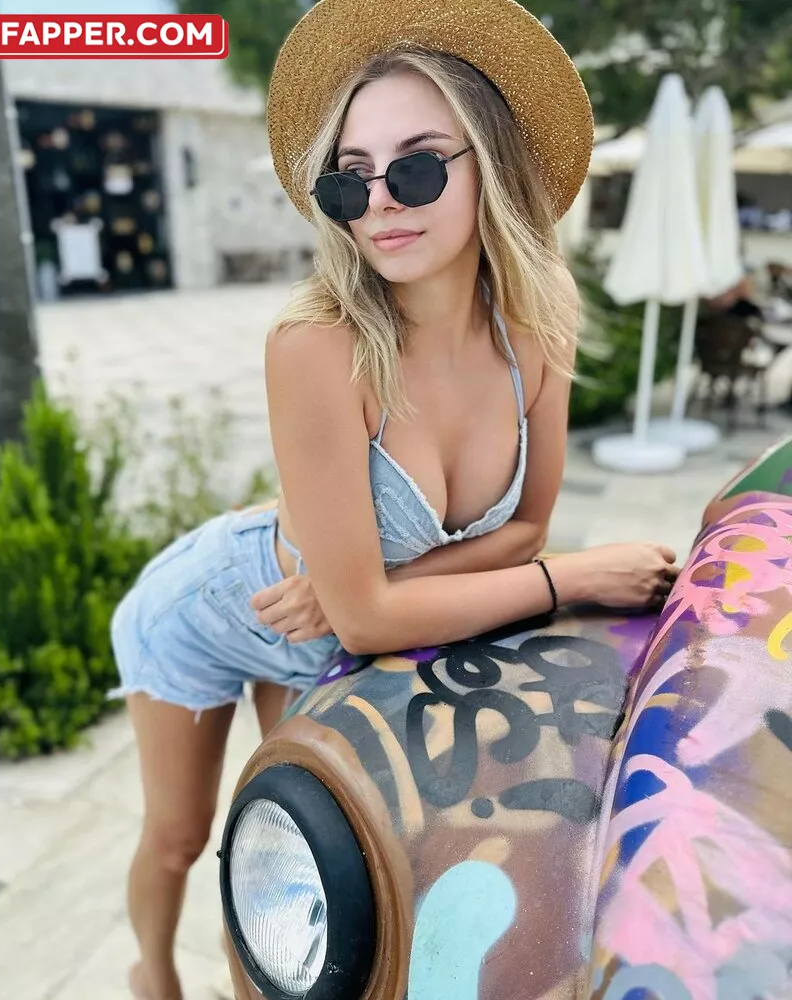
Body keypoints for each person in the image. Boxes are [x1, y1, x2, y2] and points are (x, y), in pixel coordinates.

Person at [109, 2, 679, 997]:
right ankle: (150, 974)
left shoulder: (538, 332)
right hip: (215, 606)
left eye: (415, 166)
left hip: (319, 619)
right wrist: (569, 579)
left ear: (489, 164)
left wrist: (381, 588)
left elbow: (522, 526)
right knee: (180, 836)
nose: (379, 203)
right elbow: (390, 612)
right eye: (350, 177)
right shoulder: (317, 345)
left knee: (304, 852)